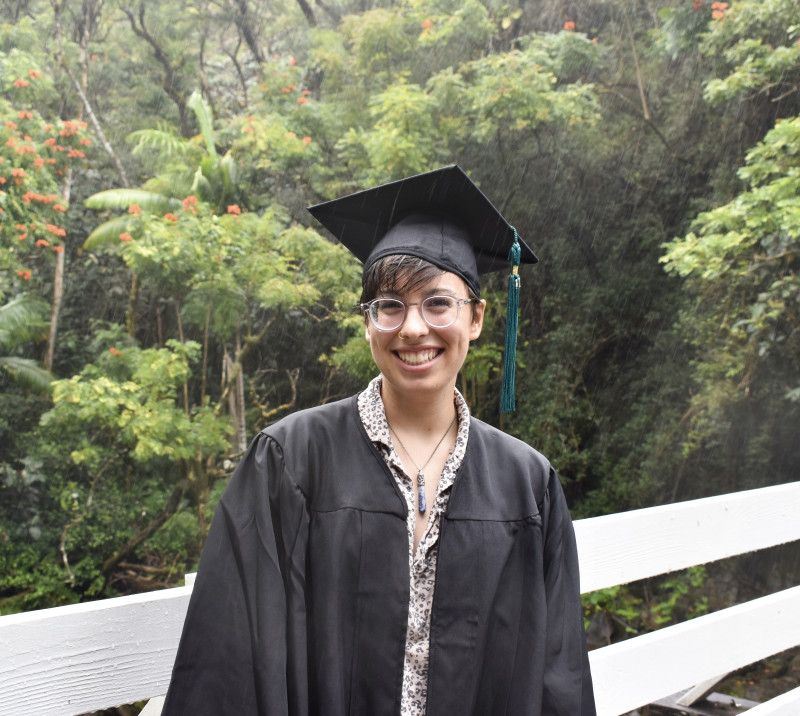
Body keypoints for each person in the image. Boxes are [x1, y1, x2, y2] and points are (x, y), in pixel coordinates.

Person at [162, 165, 596, 715]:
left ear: (478, 317)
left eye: (438, 302)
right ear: (368, 322)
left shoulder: (527, 484)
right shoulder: (290, 463)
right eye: (390, 305)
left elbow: (558, 676)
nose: (414, 328)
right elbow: (228, 659)